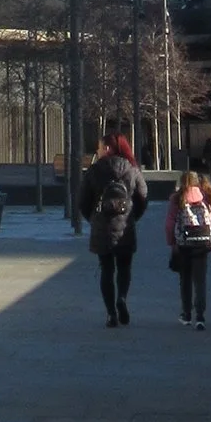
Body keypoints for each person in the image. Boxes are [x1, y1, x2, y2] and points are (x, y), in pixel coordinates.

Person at [77, 122, 148, 327]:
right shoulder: (132, 169)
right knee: (124, 267)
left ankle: (110, 314)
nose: (97, 151)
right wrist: (132, 217)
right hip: (126, 226)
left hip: (103, 227)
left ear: (107, 148)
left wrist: (94, 219)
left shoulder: (95, 171)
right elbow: (143, 196)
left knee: (106, 269)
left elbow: (83, 201)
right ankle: (122, 298)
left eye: (99, 147)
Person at [166, 165, 211, 327]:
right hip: (202, 243)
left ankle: (187, 314)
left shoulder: (177, 198)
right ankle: (200, 316)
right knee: (200, 280)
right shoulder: (205, 196)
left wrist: (172, 242)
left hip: (184, 244)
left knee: (185, 279)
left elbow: (169, 224)